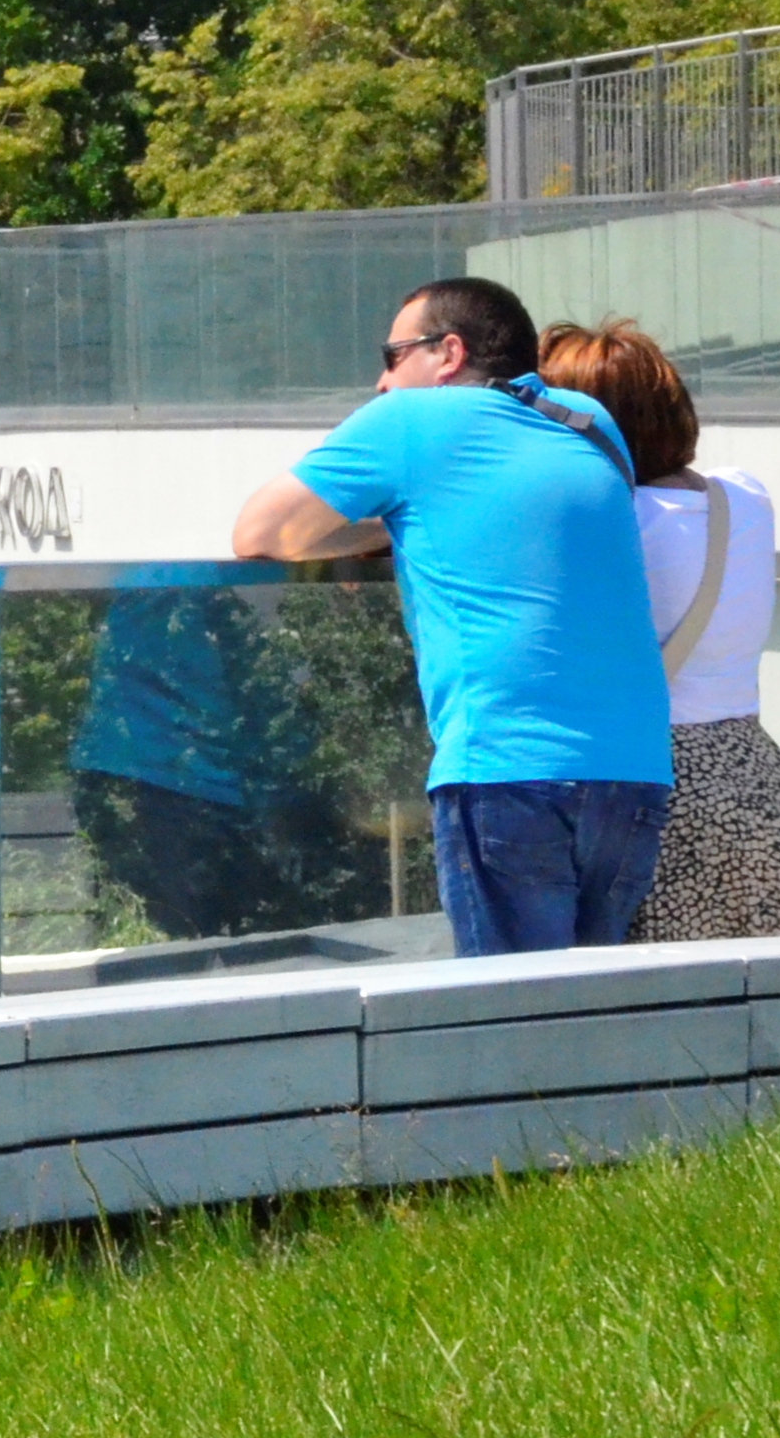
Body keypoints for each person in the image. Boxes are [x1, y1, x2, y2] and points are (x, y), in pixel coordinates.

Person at [229, 275, 669, 954]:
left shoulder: (408, 422)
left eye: (391, 355)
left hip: (507, 769)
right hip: (631, 774)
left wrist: (383, 524)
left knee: (510, 1027)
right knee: (588, 1021)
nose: (380, 381)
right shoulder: (589, 420)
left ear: (448, 353)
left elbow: (258, 533)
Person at [539, 320, 780, 941]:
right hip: (764, 784)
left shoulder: (603, 522)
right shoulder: (743, 497)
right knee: (779, 1015)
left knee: (667, 1015)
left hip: (660, 794)